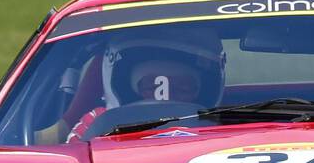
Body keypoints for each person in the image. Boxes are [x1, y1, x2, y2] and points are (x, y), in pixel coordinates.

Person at [65, 25, 226, 141]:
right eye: (150, 86)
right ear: (129, 86)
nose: (166, 93)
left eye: (182, 87)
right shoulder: (97, 120)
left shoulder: (227, 121)